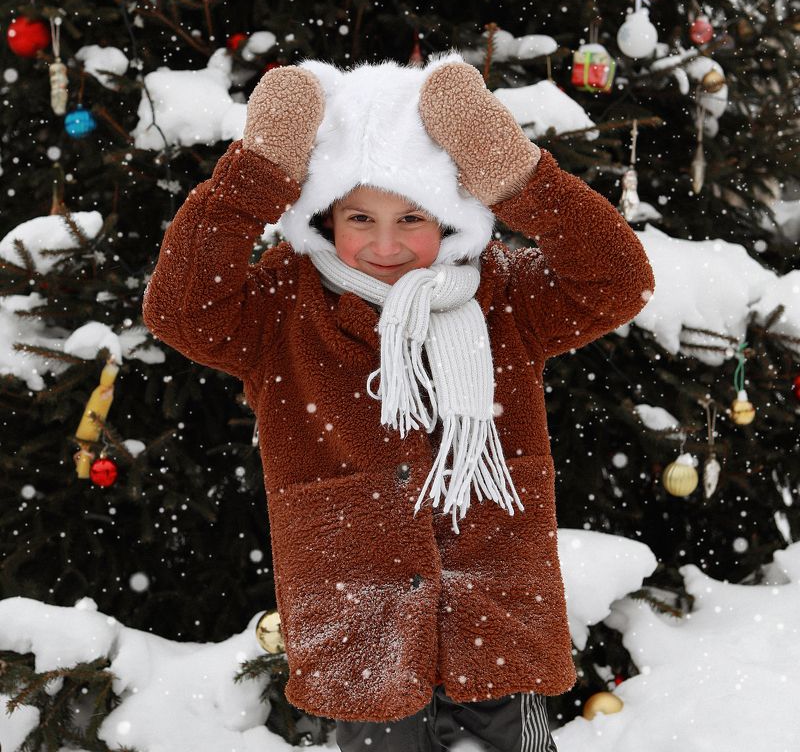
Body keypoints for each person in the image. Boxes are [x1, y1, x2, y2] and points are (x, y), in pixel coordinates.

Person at [142, 52, 655, 752]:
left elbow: (617, 280)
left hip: (497, 617)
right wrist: (259, 174)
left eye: (413, 216)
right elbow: (180, 310)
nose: (385, 245)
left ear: (449, 219)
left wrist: (514, 174)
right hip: (360, 629)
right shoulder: (282, 307)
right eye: (360, 217)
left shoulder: (502, 295)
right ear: (326, 218)